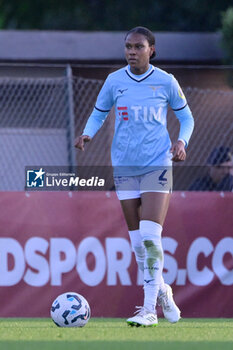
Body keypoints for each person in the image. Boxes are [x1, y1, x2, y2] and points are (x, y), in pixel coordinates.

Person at [75, 27, 194, 327]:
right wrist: (88, 134)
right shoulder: (115, 81)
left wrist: (182, 142)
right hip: (125, 167)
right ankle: (163, 291)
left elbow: (186, 117)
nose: (131, 51)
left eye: (138, 46)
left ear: (151, 49)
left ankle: (149, 309)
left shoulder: (165, 81)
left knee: (152, 237)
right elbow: (99, 112)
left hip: (157, 164)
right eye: (127, 46)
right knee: (139, 245)